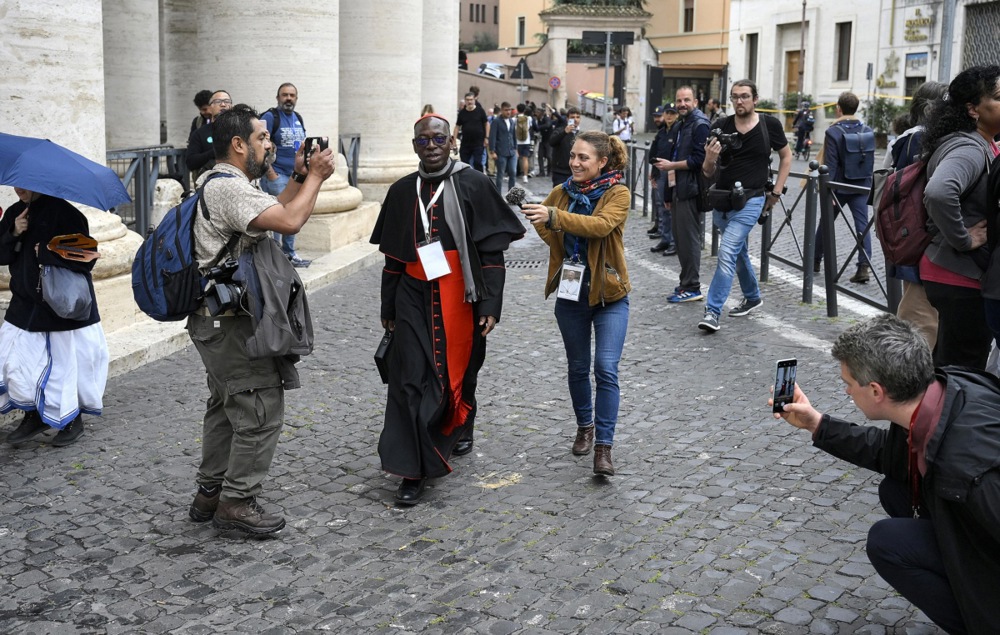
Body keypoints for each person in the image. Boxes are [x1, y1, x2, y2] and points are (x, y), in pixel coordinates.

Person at [773, 314, 1000, 634]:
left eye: (848, 384)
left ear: (877, 391)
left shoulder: (968, 470)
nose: (847, 392)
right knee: (896, 488)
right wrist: (816, 424)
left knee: (888, 542)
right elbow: (889, 454)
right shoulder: (941, 390)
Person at [185, 104, 336, 534]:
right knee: (259, 408)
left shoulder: (227, 185)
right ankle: (236, 503)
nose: (270, 144)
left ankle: (209, 494)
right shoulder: (227, 188)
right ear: (238, 145)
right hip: (230, 325)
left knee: (225, 406)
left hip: (217, 321)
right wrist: (321, 179)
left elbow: (273, 208)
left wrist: (303, 178)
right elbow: (289, 220)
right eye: (262, 138)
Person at [370, 114, 524, 506]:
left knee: (463, 368)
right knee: (409, 378)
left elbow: (491, 253)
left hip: (461, 293)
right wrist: (388, 306)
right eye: (424, 141)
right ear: (414, 145)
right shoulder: (403, 190)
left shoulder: (474, 183)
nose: (432, 146)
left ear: (452, 141)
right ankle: (413, 469)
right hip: (412, 292)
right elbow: (392, 258)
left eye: (439, 138)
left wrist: (491, 303)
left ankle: (461, 421)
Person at [521, 131, 631, 477]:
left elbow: (599, 227)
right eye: (573, 156)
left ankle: (604, 448)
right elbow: (549, 231)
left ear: (602, 162)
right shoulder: (562, 192)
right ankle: (586, 426)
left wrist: (553, 217)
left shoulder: (618, 193)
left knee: (606, 368)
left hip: (610, 296)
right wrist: (546, 223)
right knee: (577, 366)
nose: (575, 163)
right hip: (572, 295)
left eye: (583, 157)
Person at [0, 189, 108, 447]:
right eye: (16, 185)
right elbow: (2, 256)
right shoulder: (16, 213)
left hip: (60, 308)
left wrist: (47, 250)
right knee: (13, 362)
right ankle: (35, 414)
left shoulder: (67, 213)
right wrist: (13, 232)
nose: (19, 190)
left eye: (25, 185)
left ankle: (72, 421)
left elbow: (87, 256)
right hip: (24, 306)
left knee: (62, 370)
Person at [920, 66, 1000, 370]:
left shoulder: (982, 143)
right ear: (973, 109)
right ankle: (939, 418)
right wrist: (964, 239)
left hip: (954, 273)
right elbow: (939, 192)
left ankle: (915, 418)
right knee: (962, 369)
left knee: (947, 362)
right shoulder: (968, 147)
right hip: (958, 274)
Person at [698, 79, 791, 333]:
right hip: (723, 201)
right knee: (737, 252)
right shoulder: (721, 126)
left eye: (745, 96)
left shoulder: (769, 125)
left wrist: (777, 191)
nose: (740, 101)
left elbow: (786, 156)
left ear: (755, 99)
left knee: (727, 252)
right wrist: (709, 159)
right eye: (735, 96)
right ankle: (752, 296)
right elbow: (707, 172)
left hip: (752, 199)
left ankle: (712, 311)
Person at [882, 81, 948, 348]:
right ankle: (913, 376)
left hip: (908, 230)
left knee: (917, 306)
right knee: (921, 313)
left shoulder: (904, 138)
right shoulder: (924, 138)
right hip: (924, 231)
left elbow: (883, 177)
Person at [652, 86, 711, 304]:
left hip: (692, 189)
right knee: (681, 238)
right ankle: (686, 282)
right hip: (679, 188)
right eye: (679, 101)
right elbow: (673, 160)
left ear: (695, 101)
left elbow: (699, 160)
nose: (682, 104)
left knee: (688, 239)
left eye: (686, 100)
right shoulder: (681, 124)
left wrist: (672, 166)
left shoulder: (700, 124)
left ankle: (692, 286)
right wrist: (668, 193)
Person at [812, 92, 875, 284]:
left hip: (838, 186)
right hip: (861, 185)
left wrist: (828, 190)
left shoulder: (833, 131)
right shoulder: (867, 130)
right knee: (862, 226)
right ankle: (863, 267)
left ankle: (815, 261)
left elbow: (830, 163)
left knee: (826, 223)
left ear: (839, 108)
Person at [260, 83, 310, 268]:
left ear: (296, 98)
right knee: (276, 219)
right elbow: (259, 145)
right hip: (277, 176)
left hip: (295, 176)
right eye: (284, 95)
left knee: (293, 215)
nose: (288, 98)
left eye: (292, 95)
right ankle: (275, 256)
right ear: (277, 97)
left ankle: (289, 254)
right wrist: (270, 173)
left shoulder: (298, 117)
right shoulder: (270, 117)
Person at [648, 103, 679, 256]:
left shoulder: (678, 131)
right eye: (667, 113)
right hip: (660, 173)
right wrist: (653, 172)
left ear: (677, 115)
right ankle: (665, 239)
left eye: (672, 113)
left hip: (672, 173)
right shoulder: (661, 132)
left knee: (671, 208)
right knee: (661, 207)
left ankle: (674, 242)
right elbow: (654, 153)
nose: (669, 116)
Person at [186, 90, 232, 177]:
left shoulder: (242, 129)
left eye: (227, 101)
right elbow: (191, 162)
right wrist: (215, 152)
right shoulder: (200, 133)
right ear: (211, 107)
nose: (223, 104)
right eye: (218, 102)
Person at [454, 92, 489, 173]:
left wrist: (486, 138)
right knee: (464, 164)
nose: (469, 102)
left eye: (471, 99)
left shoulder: (480, 111)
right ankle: (467, 180)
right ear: (465, 101)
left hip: (478, 143)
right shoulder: (462, 113)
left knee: (477, 163)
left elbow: (486, 124)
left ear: (474, 100)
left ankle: (479, 180)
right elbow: (457, 127)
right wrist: (454, 140)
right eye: (467, 100)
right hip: (466, 143)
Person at [549, 106, 582, 187]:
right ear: (567, 119)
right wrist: (565, 132)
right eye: (572, 117)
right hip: (560, 172)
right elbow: (552, 142)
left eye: (577, 117)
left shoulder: (582, 134)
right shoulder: (560, 130)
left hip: (576, 172)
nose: (575, 119)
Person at [488, 102, 517, 193]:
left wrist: (516, 149)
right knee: (500, 174)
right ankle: (498, 195)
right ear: (502, 110)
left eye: (509, 110)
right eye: (506, 110)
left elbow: (513, 135)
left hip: (512, 151)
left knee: (513, 172)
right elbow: (492, 136)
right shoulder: (496, 121)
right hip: (501, 152)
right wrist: (492, 151)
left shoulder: (512, 121)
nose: (508, 112)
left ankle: (511, 194)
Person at [514, 103, 535, 184]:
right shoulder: (529, 118)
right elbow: (530, 127)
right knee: (525, 159)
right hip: (526, 141)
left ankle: (514, 173)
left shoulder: (514, 119)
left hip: (517, 141)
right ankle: (525, 176)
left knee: (515, 158)